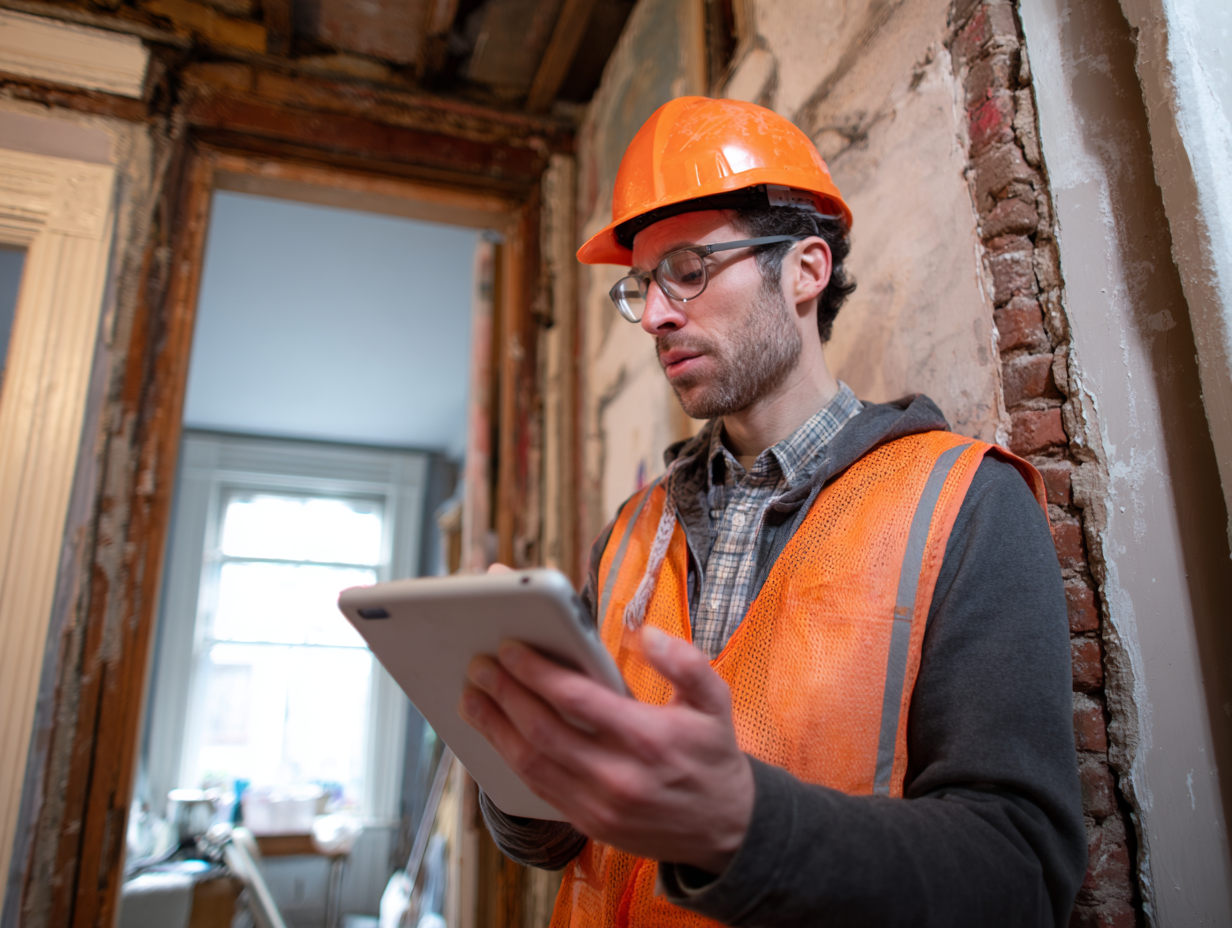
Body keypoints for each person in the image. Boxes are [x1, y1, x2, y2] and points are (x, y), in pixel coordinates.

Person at [458, 96, 1086, 927]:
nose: (654, 315)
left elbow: (1022, 875)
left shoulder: (964, 504)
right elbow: (553, 842)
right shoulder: (630, 536)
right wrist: (516, 761)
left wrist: (745, 829)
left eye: (687, 269)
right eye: (641, 285)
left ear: (805, 270)